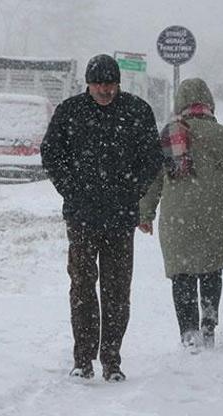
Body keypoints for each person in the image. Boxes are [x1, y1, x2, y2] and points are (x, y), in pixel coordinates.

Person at [40, 54, 162, 382]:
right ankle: (83, 358)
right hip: (81, 216)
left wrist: (132, 189)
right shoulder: (70, 112)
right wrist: (70, 188)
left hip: (121, 218)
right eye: (99, 84)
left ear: (118, 83)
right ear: (88, 84)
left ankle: (111, 359)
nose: (105, 90)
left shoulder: (136, 111)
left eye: (110, 84)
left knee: (117, 290)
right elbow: (51, 152)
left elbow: (152, 157)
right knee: (82, 286)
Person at [138, 78, 223, 353]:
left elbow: (153, 180)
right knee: (210, 272)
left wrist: (145, 213)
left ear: (179, 103)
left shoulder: (169, 134)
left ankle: (188, 332)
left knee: (181, 275)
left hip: (176, 217)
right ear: (209, 103)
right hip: (215, 216)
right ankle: (208, 325)